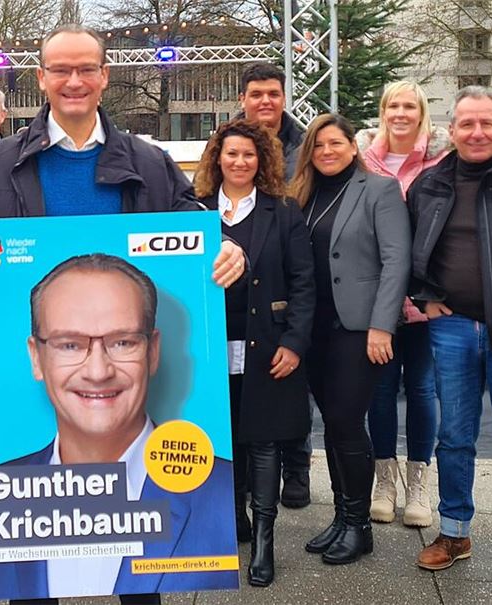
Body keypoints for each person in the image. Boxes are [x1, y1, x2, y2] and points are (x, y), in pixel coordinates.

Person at [0, 24, 246, 605]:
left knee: (142, 585)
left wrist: (226, 248)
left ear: (105, 76)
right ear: (41, 79)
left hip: (146, 444)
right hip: (21, 408)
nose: (74, 81)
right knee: (33, 583)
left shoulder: (149, 162)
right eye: (61, 70)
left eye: (86, 69)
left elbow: (193, 229)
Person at [0, 254, 235, 600]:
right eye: (70, 344)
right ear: (36, 357)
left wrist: (230, 247)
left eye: (122, 342)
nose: (98, 372)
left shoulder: (215, 492)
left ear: (153, 351)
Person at [194, 119, 315, 586]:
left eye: (249, 154)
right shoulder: (196, 210)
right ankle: (234, 519)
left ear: (262, 160)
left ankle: (264, 540)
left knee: (263, 441)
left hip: (267, 346)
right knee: (221, 438)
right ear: (217, 158)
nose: (240, 161)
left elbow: (304, 284)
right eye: (232, 153)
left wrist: (294, 343)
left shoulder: (283, 211)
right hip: (208, 349)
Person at [291, 113, 411, 565]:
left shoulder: (379, 190)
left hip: (359, 328)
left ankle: (359, 526)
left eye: (335, 143)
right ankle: (343, 517)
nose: (327, 152)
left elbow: (396, 261)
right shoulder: (302, 194)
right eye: (319, 145)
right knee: (332, 423)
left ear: (353, 146)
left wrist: (382, 325)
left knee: (345, 422)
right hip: (314, 328)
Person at [355, 81, 450, 528]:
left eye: (410, 106)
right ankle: (384, 482)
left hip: (425, 301)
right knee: (379, 390)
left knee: (422, 389)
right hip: (378, 299)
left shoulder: (440, 160)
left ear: (421, 112)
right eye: (393, 105)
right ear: (383, 111)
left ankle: (418, 483)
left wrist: (438, 292)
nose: (401, 113)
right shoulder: (364, 160)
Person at [411, 86, 492, 571]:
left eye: (487, 123)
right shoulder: (430, 184)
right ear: (452, 129)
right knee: (456, 434)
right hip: (453, 324)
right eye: (468, 123)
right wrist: (424, 295)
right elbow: (407, 248)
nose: (478, 132)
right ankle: (455, 533)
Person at [236, 62, 312, 509]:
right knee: (254, 387)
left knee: (292, 381)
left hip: (298, 259)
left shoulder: (306, 145)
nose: (265, 101)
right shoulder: (229, 141)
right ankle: (246, 480)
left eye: (273, 93)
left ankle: (297, 468)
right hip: (251, 275)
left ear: (284, 98)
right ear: (243, 99)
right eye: (256, 93)